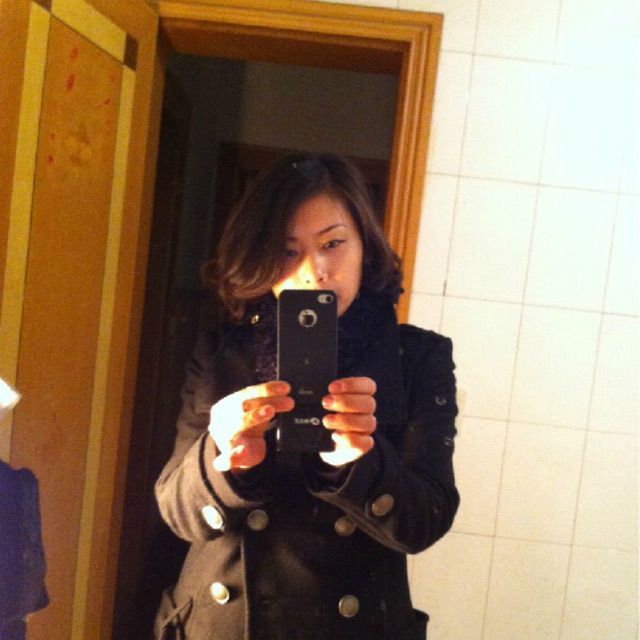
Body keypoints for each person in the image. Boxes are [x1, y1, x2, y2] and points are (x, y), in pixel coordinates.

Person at [154, 152, 459, 639]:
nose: (314, 271)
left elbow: (426, 522)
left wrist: (359, 464)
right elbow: (176, 510)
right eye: (287, 251)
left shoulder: (417, 359)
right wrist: (222, 459)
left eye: (332, 243)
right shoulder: (220, 354)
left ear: (365, 246)